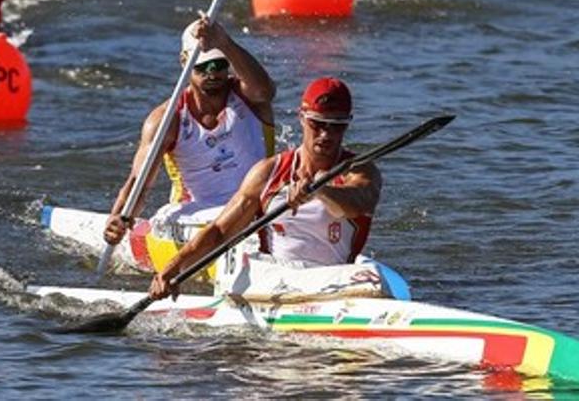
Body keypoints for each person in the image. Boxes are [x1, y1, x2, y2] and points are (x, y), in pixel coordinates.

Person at [149, 77, 383, 301]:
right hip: (276, 279)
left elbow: (359, 203)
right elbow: (220, 231)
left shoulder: (360, 171)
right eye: (318, 123)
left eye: (337, 126)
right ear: (301, 117)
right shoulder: (267, 173)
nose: (326, 134)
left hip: (333, 278)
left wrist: (320, 190)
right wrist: (172, 270)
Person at [103, 16, 277, 247]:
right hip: (197, 214)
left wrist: (225, 42)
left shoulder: (250, 97)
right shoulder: (166, 120)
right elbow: (139, 182)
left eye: (219, 65)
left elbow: (266, 90)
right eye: (203, 66)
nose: (213, 74)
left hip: (259, 204)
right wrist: (119, 217)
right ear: (184, 61)